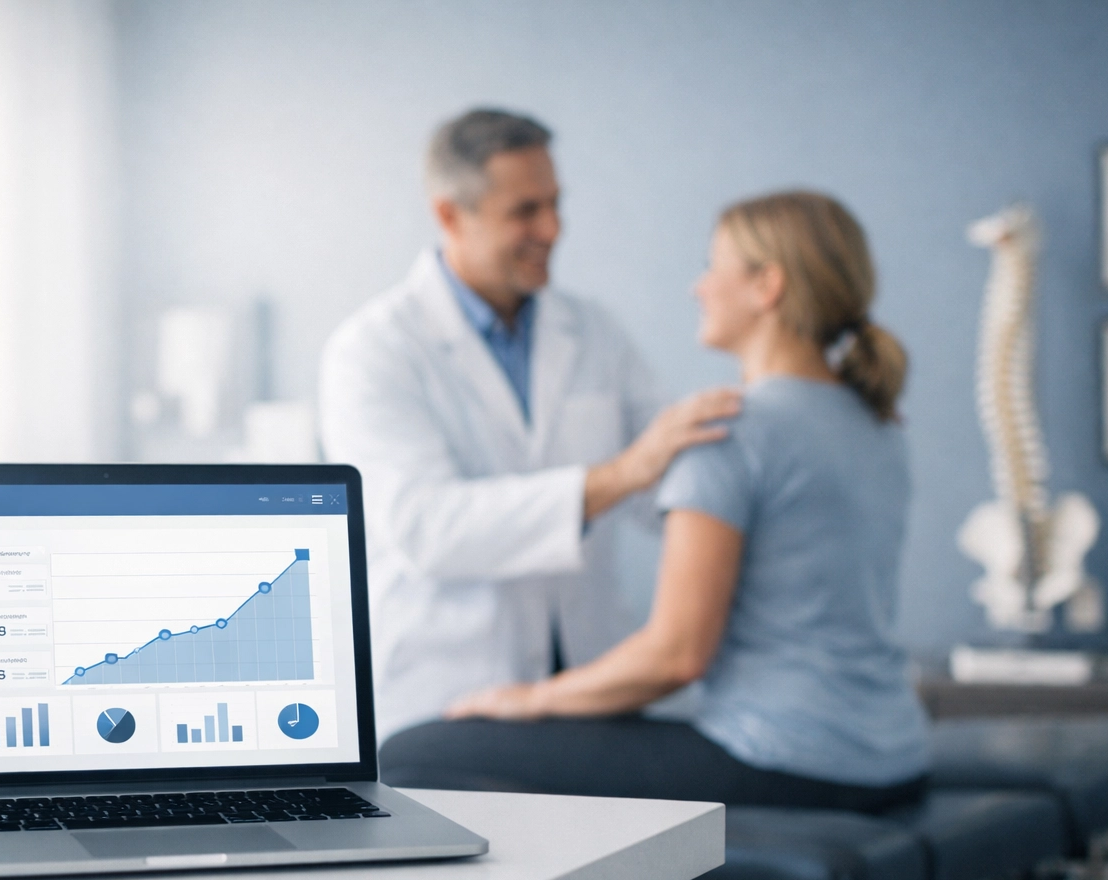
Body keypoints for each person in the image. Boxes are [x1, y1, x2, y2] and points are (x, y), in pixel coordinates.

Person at [378, 191, 930, 812]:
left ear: (765, 286)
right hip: (894, 753)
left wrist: (529, 698)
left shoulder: (727, 429)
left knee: (412, 753)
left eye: (713, 266)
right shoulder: (877, 422)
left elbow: (676, 656)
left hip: (783, 758)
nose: (699, 287)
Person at [318, 109, 740, 742]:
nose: (552, 228)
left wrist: (793, 424)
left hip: (586, 682)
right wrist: (622, 473)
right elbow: (427, 529)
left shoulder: (593, 330)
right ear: (450, 215)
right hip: (448, 693)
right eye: (525, 211)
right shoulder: (374, 350)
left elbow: (673, 478)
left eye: (555, 204)